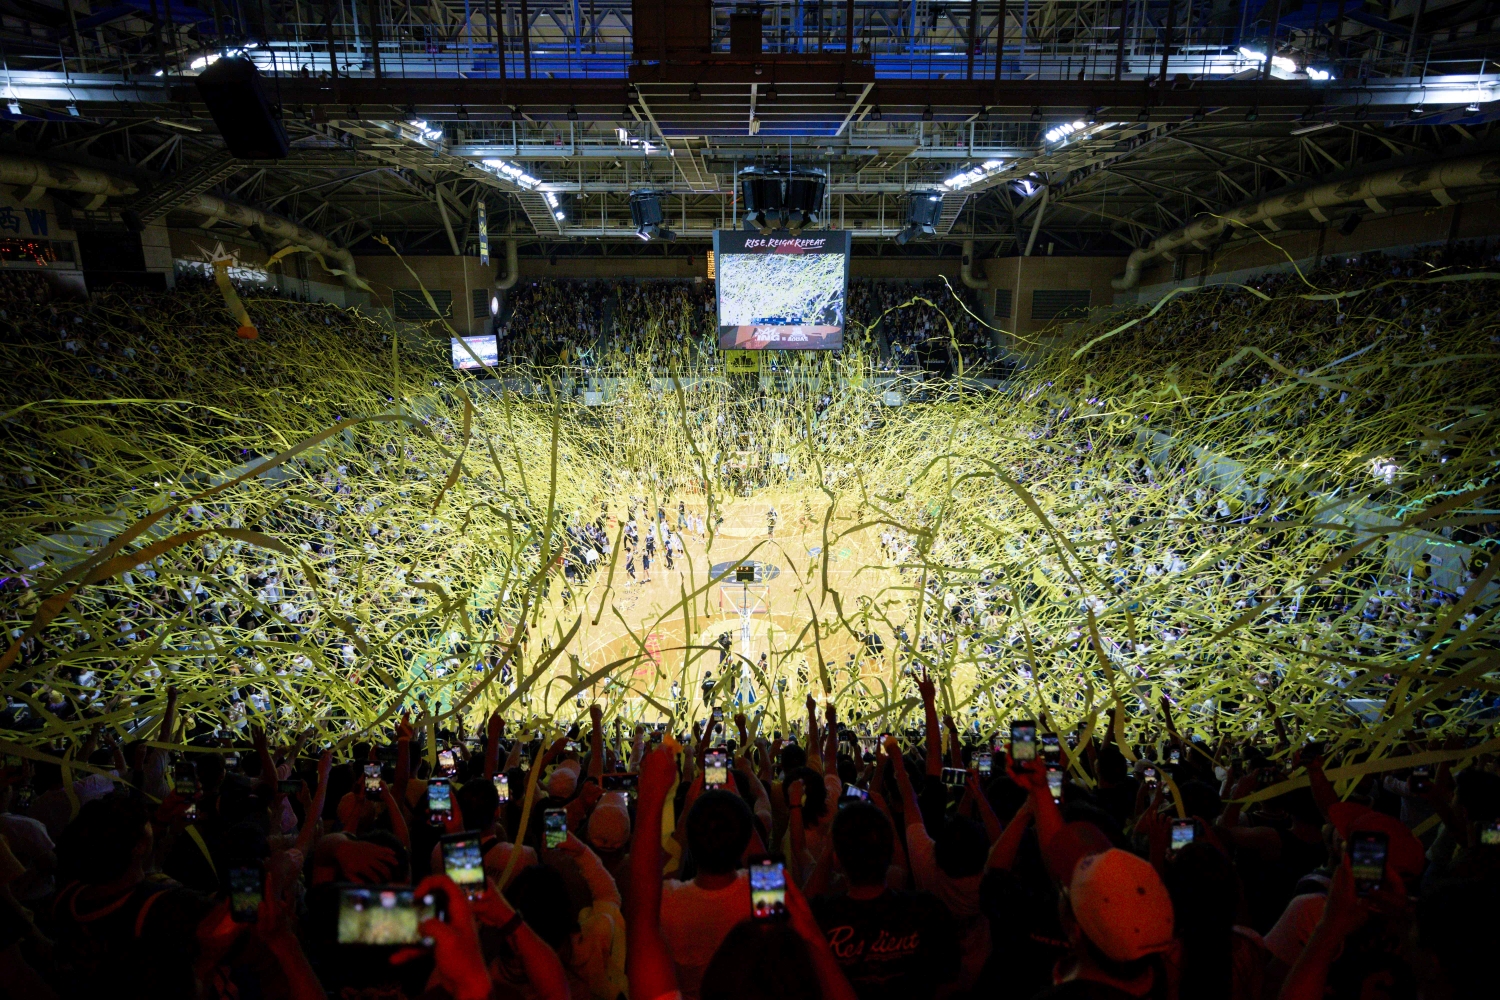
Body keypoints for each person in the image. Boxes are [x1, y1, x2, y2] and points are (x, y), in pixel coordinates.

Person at [811, 801, 960, 1000]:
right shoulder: (927, 909)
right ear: (890, 853)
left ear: (836, 859)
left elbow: (799, 914)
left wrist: (827, 854)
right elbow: (950, 983)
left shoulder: (820, 918)